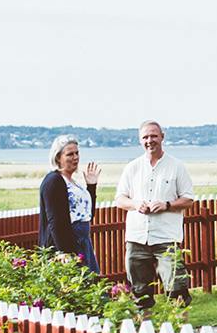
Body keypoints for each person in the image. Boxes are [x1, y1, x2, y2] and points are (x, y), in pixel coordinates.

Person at [113, 120, 196, 302]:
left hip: (166, 238)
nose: (149, 140)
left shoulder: (176, 166)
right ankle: (146, 329)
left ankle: (181, 329)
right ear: (140, 140)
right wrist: (136, 204)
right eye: (145, 137)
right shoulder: (132, 167)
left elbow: (189, 199)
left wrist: (167, 205)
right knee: (140, 293)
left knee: (177, 290)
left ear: (162, 137)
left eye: (153, 136)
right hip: (137, 238)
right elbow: (120, 199)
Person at [38, 135, 101, 271]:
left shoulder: (73, 182)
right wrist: (65, 252)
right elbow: (56, 222)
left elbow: (87, 214)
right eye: (70, 154)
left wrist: (91, 186)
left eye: (77, 153)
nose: (75, 157)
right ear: (58, 158)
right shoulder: (54, 181)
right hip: (67, 244)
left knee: (90, 287)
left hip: (83, 243)